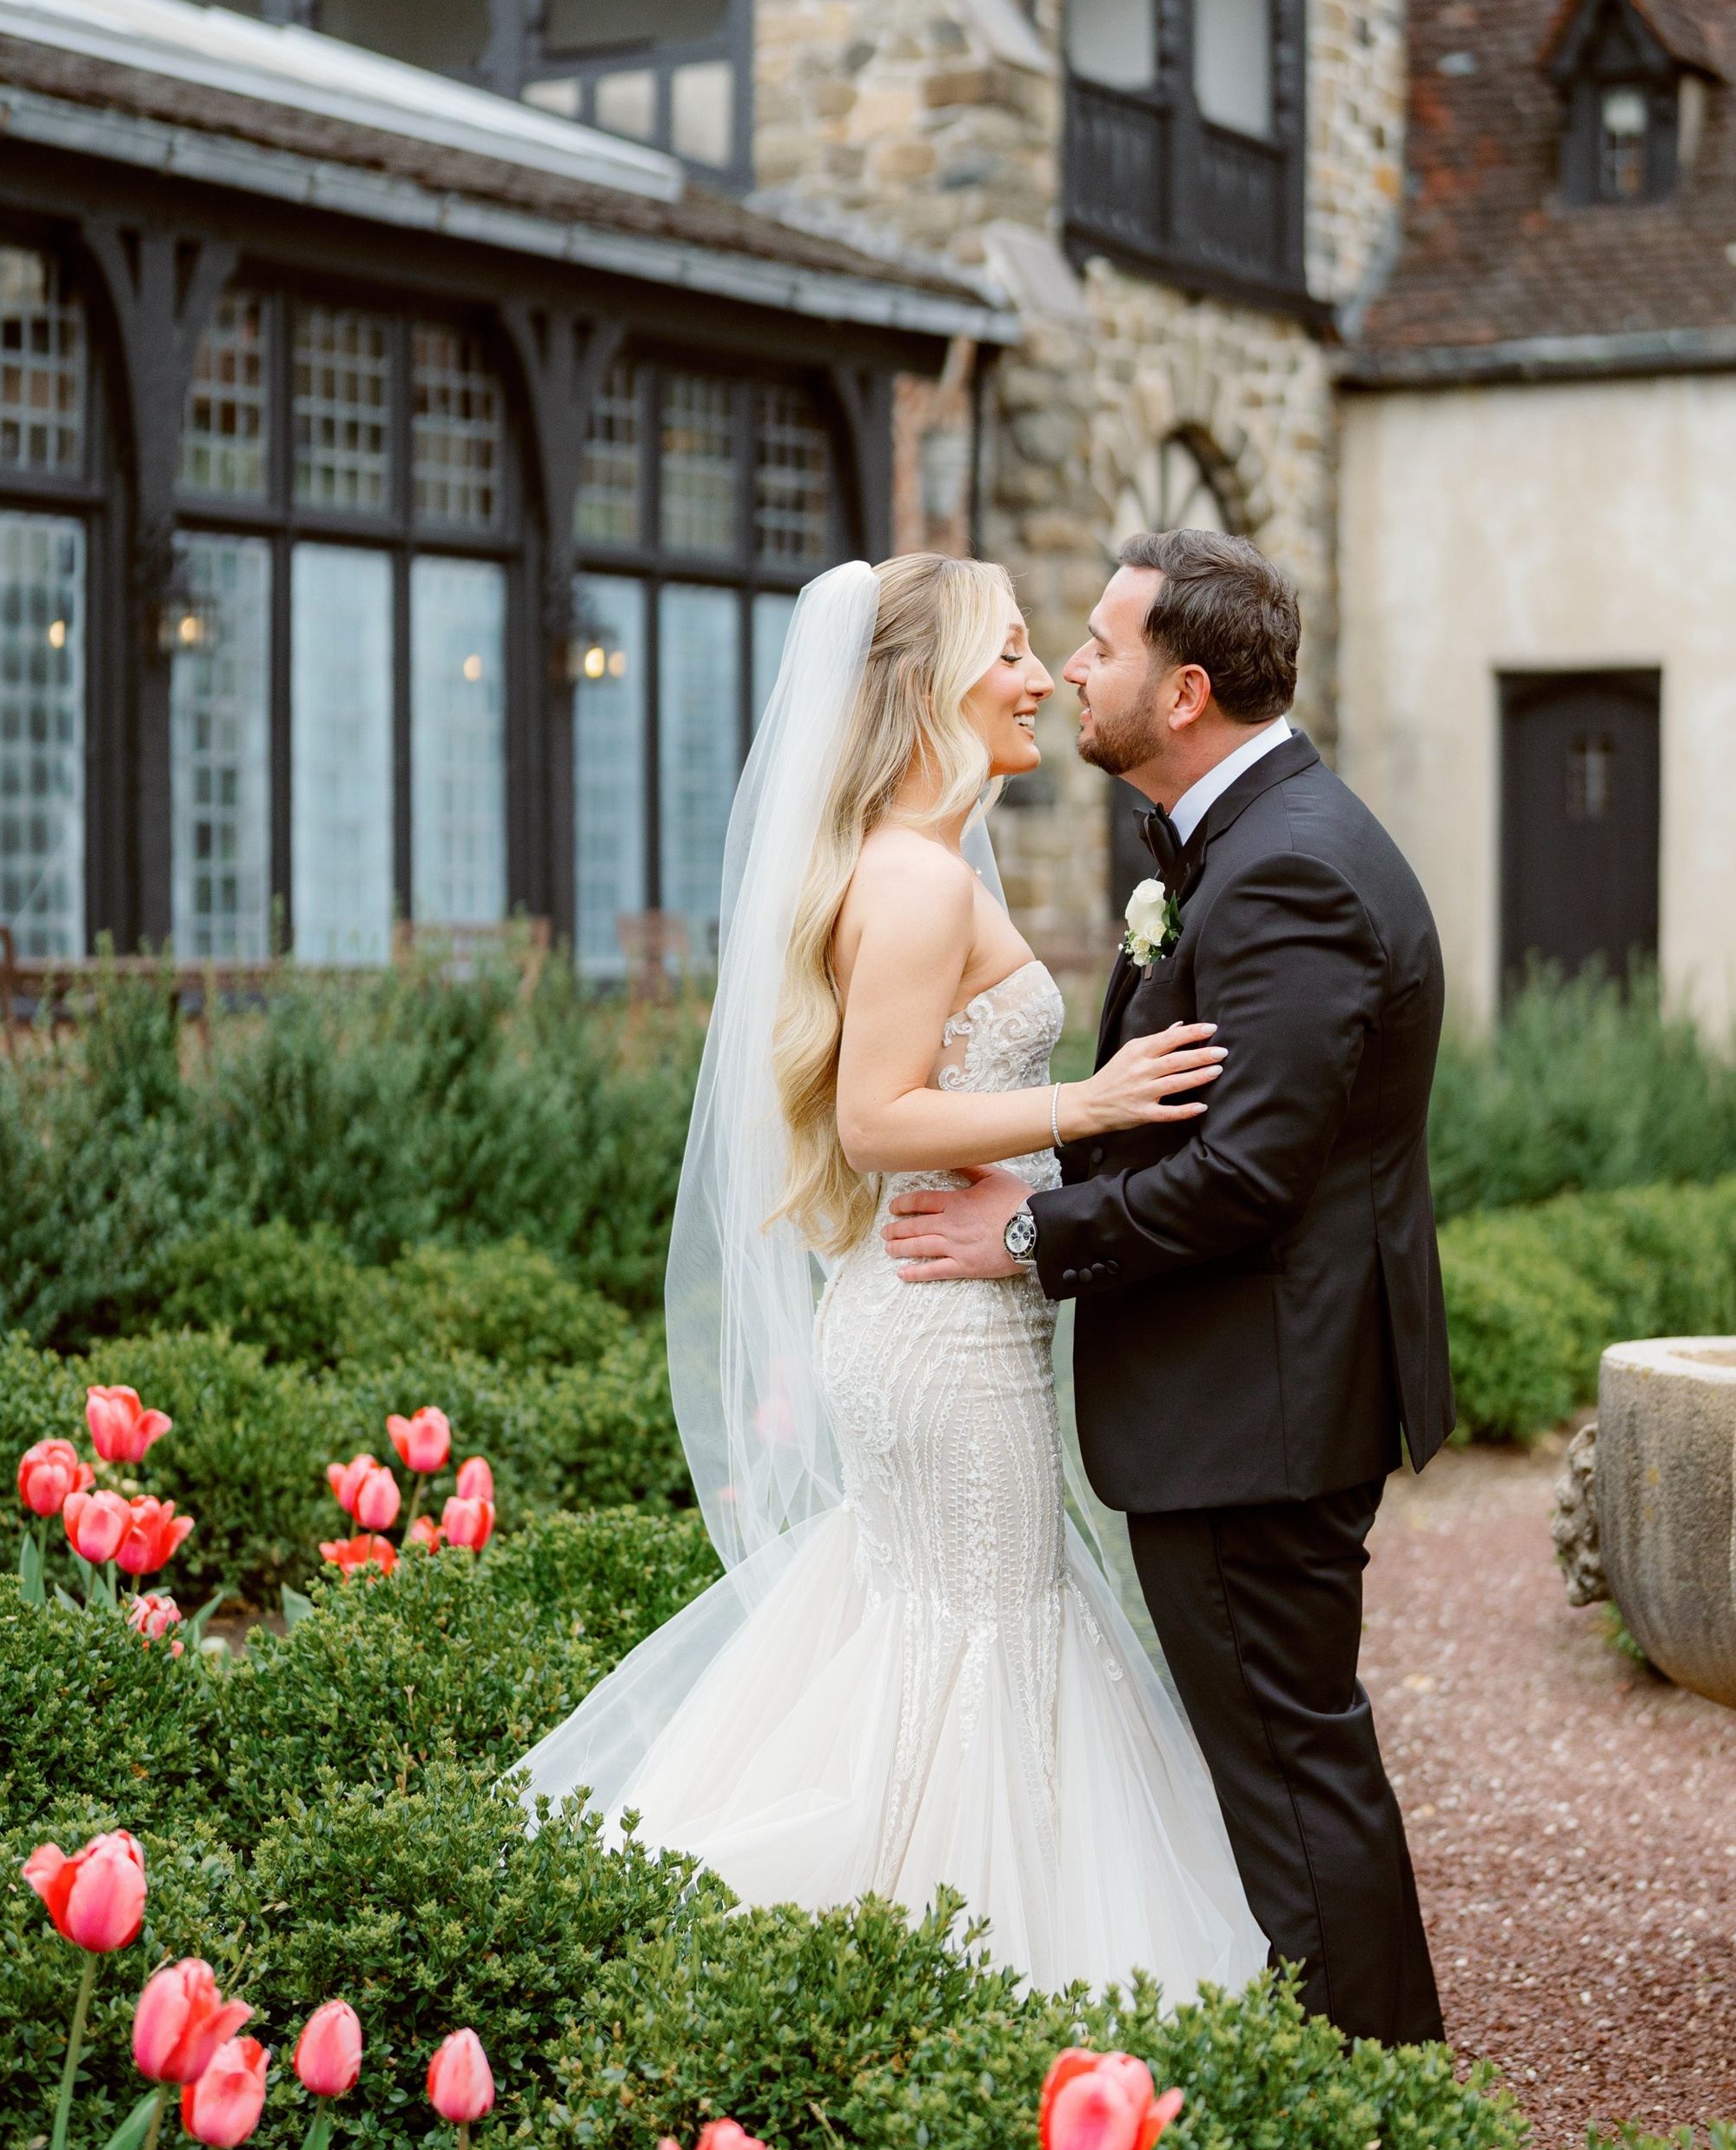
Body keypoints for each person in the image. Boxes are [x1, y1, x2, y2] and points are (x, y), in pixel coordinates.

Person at [514, 550, 1262, 2000]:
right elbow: (875, 1121)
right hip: (938, 1330)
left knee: (941, 1628)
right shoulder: (913, 881)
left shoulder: (900, 859)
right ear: (928, 686)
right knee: (984, 1640)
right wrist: (1087, 1106)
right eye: (1012, 651)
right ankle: (957, 1974)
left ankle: (900, 1960)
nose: (1041, 677)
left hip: (931, 1307)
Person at [885, 529, 1452, 2047]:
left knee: (1286, 1766)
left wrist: (1027, 1233)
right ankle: (1361, 2087)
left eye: (1100, 644)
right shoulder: (1244, 846)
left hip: (1254, 1405)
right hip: (1249, 1391)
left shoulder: (1287, 876)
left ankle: (1365, 2111)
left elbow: (1250, 1178)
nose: (1072, 665)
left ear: (1186, 689)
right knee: (1285, 1760)